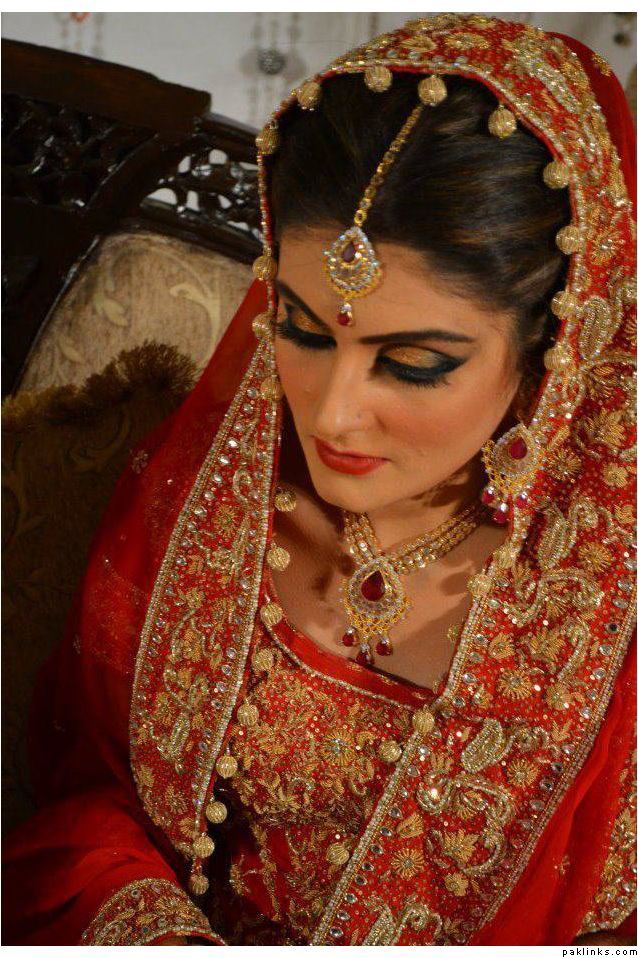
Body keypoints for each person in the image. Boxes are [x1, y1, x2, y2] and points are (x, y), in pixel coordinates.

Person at [3, 14, 636, 947]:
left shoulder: (609, 607)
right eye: (301, 329)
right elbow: (90, 798)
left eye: (413, 364)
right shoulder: (219, 494)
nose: (332, 415)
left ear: (556, 343)